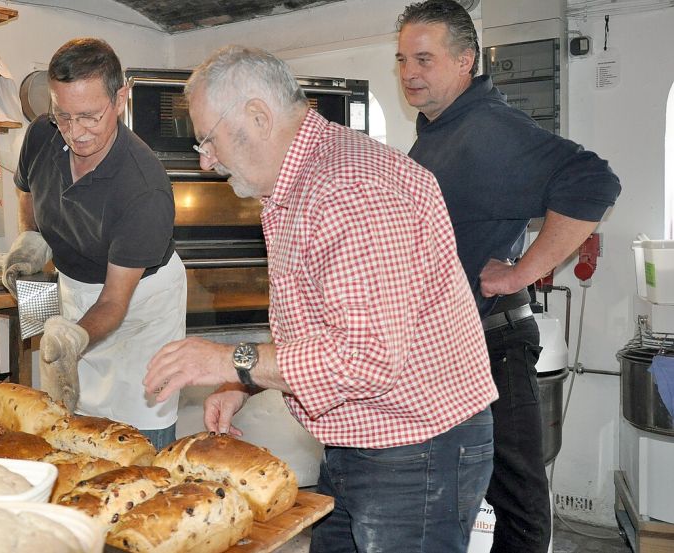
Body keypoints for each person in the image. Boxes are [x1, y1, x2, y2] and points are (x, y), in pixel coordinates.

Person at [143, 44, 498, 553]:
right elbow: (327, 322)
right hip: (364, 441)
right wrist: (245, 380)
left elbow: (365, 357)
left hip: (415, 452)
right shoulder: (301, 181)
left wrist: (233, 359)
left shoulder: (347, 188)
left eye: (209, 140)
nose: (205, 161)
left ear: (258, 116)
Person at [395, 2, 622, 551]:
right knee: (467, 490)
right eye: (401, 59)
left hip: (493, 342)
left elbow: (593, 182)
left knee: (517, 501)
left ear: (465, 60)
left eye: (424, 58)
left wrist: (523, 269)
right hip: (455, 343)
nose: (408, 72)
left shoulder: (487, 127)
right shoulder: (437, 131)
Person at [3, 38, 186, 451]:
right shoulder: (41, 136)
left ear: (120, 99)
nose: (75, 133)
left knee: (138, 438)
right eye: (63, 116)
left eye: (89, 117)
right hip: (76, 289)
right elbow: (26, 190)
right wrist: (31, 236)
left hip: (139, 309)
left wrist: (72, 339)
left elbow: (114, 302)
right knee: (74, 430)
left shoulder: (143, 187)